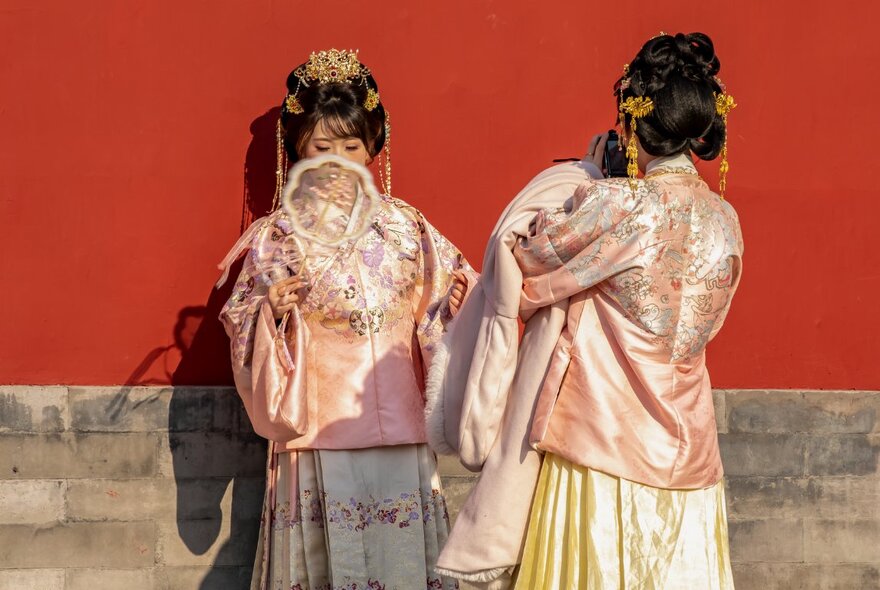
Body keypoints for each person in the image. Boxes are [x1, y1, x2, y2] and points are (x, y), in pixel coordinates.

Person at [427, 32, 742, 589]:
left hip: (603, 448)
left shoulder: (619, 206)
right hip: (692, 453)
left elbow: (523, 257)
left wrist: (583, 176)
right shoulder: (726, 221)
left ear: (631, 123)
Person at [218, 48, 472, 590]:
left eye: (352, 146)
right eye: (322, 146)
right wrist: (271, 314)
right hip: (316, 427)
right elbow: (238, 315)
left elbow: (459, 290)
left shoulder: (407, 227)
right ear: (299, 150)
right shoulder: (279, 234)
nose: (338, 160)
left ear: (374, 145)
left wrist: (458, 305)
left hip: (401, 427)